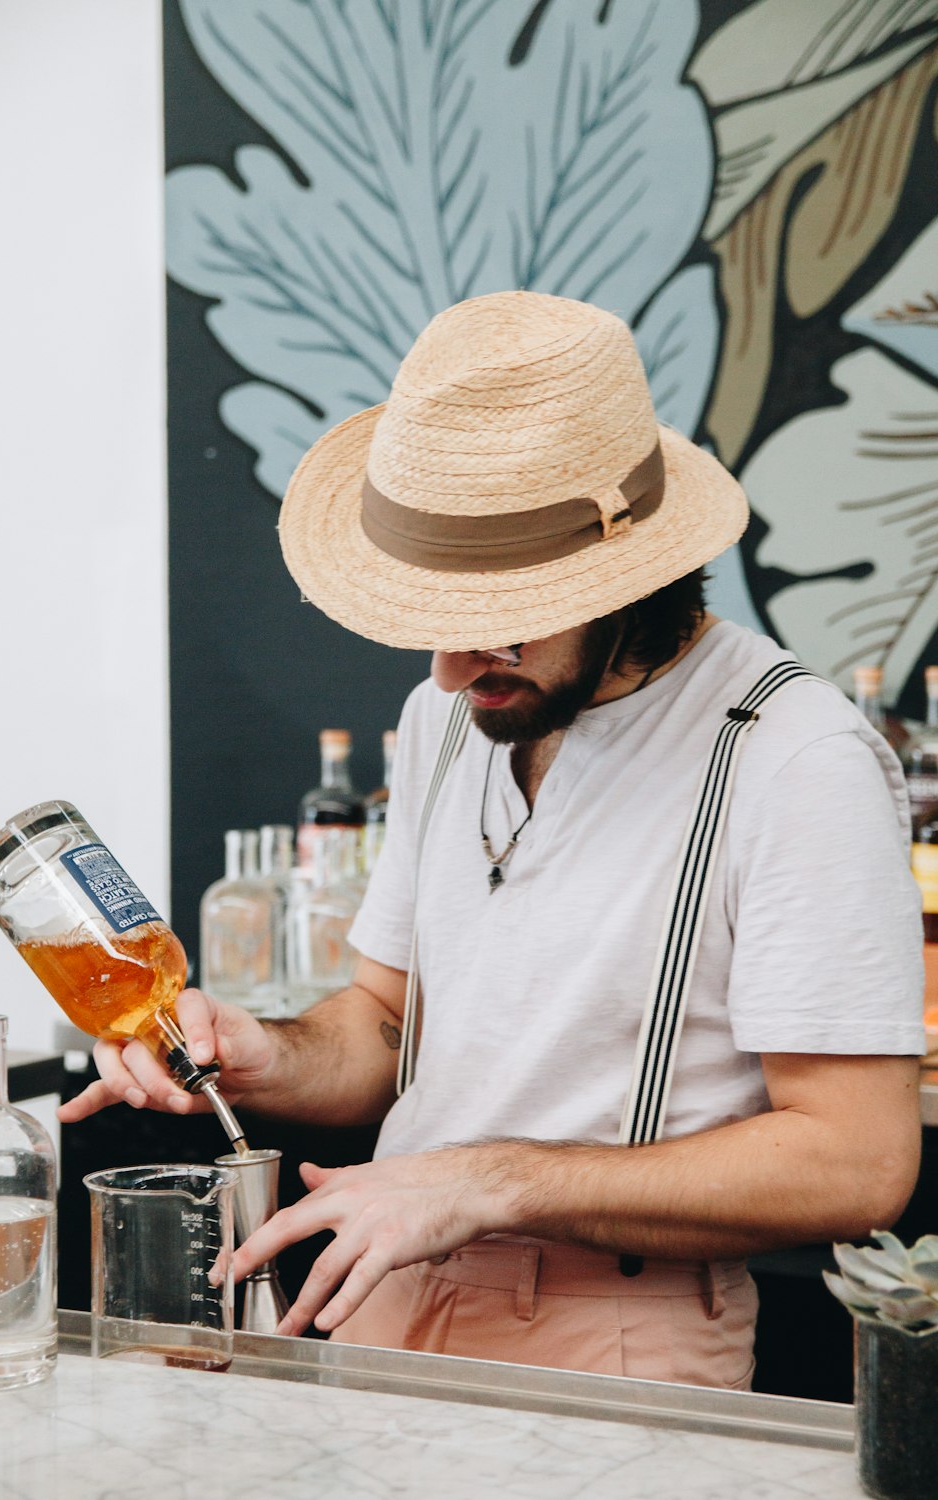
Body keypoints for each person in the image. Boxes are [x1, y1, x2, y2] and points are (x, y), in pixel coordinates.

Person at [61, 291, 924, 1388]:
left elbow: (856, 1160)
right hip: (382, 1289)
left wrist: (485, 1182)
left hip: (616, 1330)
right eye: (434, 614)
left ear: (625, 576)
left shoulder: (793, 753)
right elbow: (383, 1026)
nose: (448, 669)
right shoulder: (450, 717)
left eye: (501, 615)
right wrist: (268, 1051)